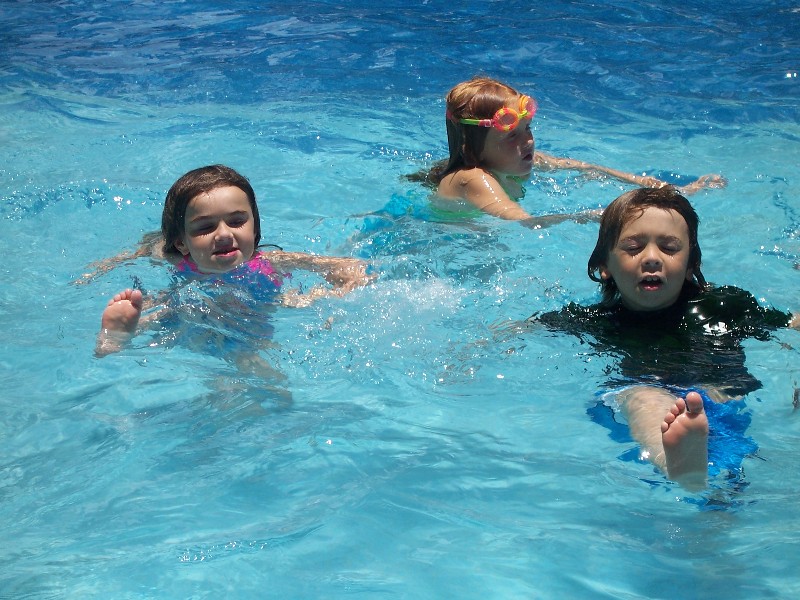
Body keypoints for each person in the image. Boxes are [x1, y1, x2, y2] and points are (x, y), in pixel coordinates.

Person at [527, 187, 798, 490]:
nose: (652, 258)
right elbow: (525, 327)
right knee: (642, 397)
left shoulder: (723, 307)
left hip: (720, 392)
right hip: (651, 395)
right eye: (634, 248)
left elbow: (790, 324)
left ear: (691, 265)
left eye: (669, 248)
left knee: (728, 392)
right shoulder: (596, 320)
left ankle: (691, 461)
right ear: (605, 266)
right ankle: (681, 465)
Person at [96, 164, 373, 356]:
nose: (224, 234)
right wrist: (112, 262)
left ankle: (122, 336)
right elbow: (152, 244)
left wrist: (342, 286)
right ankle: (116, 336)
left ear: (254, 227)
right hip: (193, 308)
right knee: (168, 311)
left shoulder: (271, 260)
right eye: (205, 227)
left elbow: (345, 266)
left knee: (296, 304)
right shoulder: (176, 257)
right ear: (182, 242)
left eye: (237, 221)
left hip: (254, 313)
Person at [417, 76, 726, 228]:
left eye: (528, 129)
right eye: (512, 135)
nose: (527, 142)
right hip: (438, 239)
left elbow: (587, 168)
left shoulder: (514, 158)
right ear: (472, 146)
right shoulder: (473, 178)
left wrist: (664, 188)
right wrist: (594, 217)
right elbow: (525, 222)